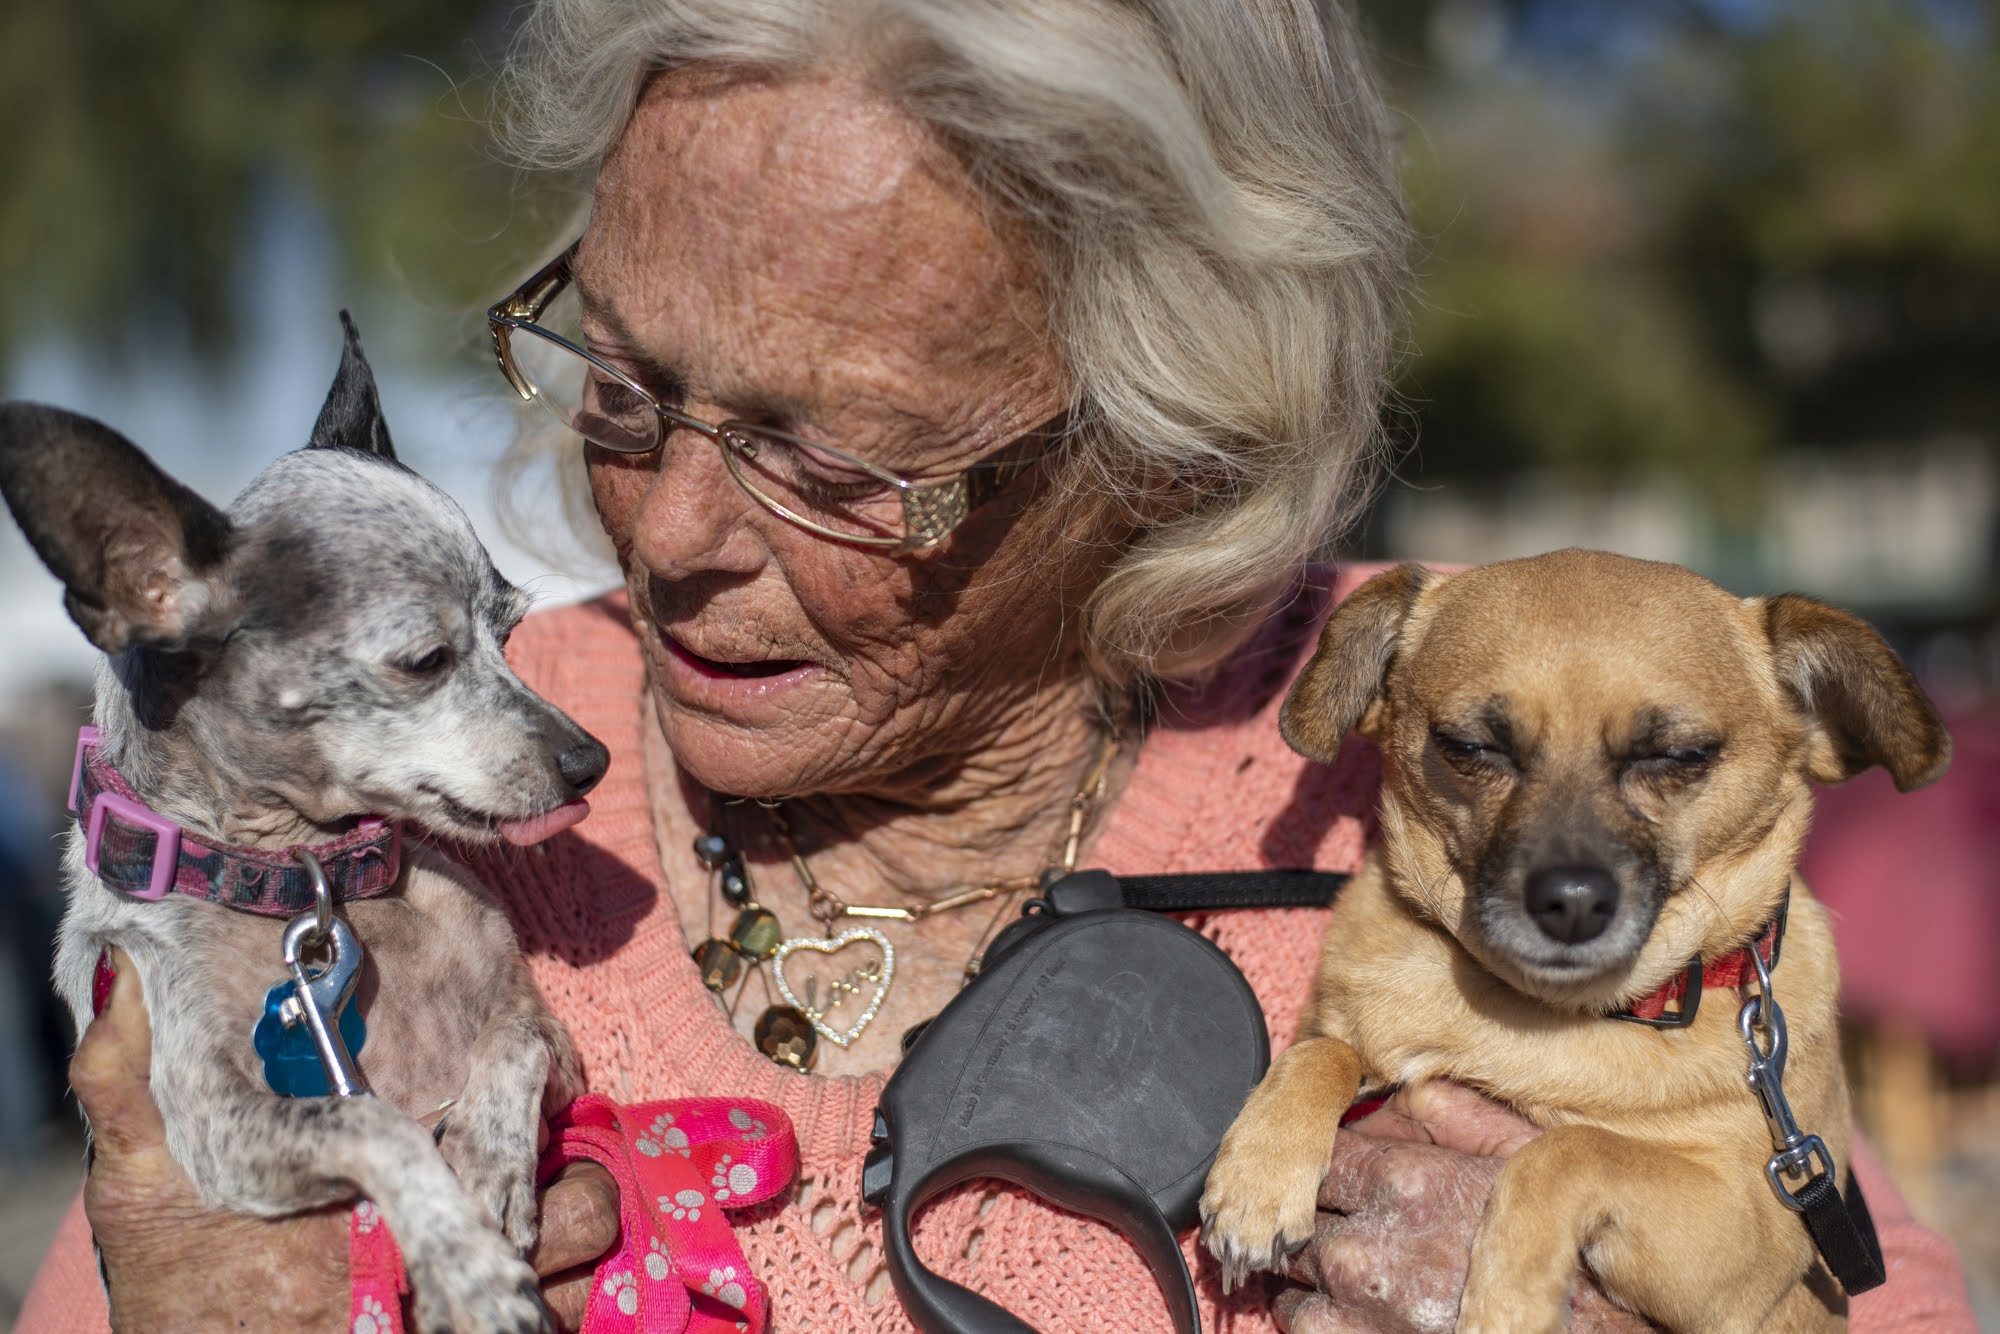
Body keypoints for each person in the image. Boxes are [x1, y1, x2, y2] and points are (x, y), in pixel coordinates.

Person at [17, 1, 1978, 1330]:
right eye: (624, 379)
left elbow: (1840, 1247)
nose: (673, 527)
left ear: (1168, 447)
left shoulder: (1471, 729)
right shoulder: (340, 807)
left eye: (833, 457)